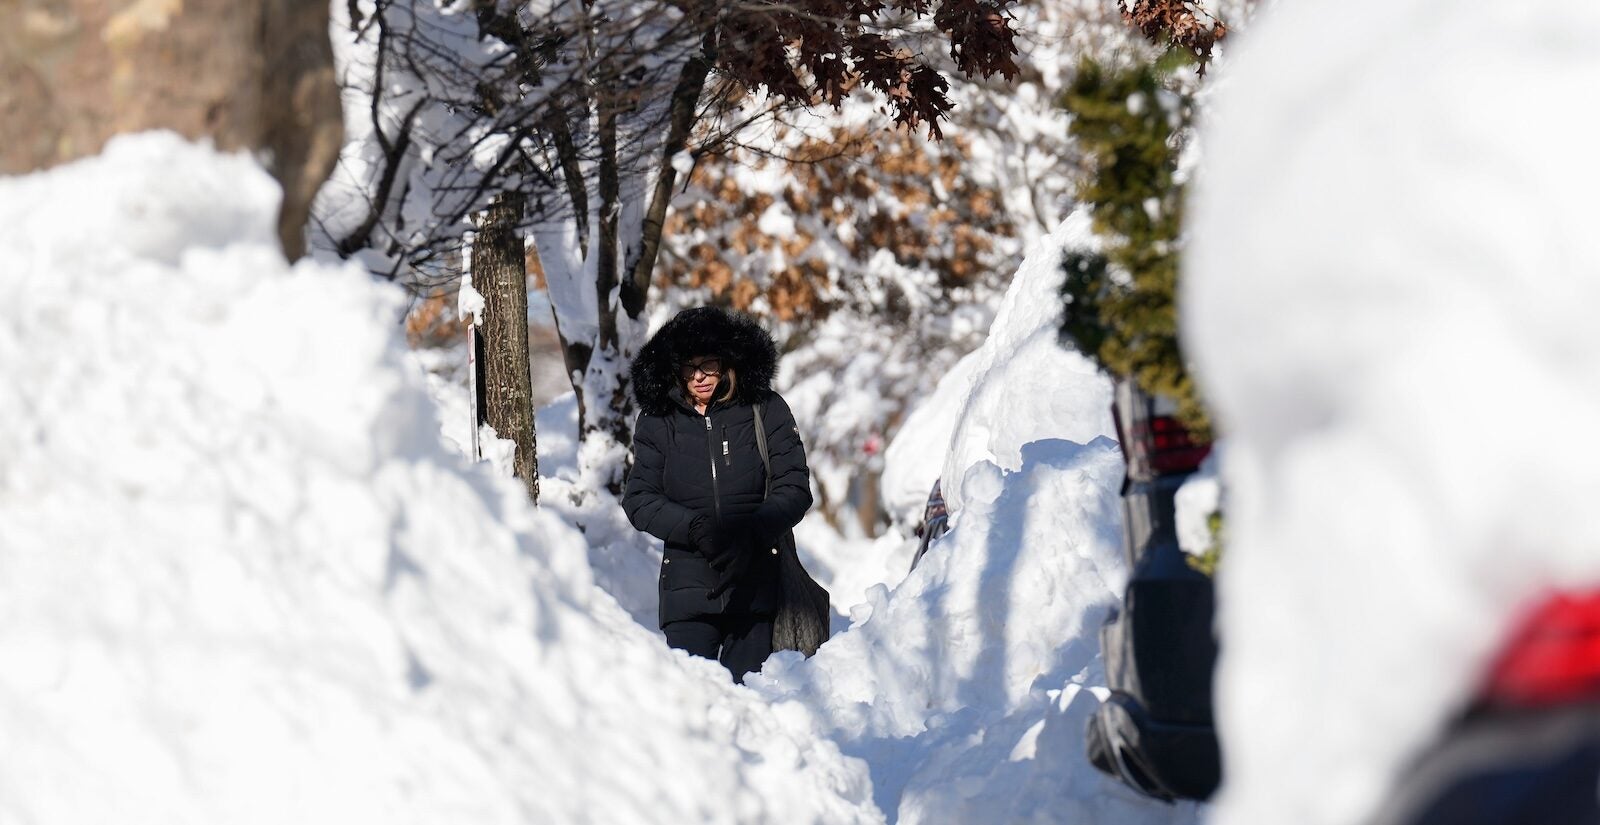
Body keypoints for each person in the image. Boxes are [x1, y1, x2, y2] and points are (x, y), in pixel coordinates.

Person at [622, 306, 813, 683]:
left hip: (755, 584)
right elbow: (639, 498)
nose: (699, 377)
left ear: (727, 360)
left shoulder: (765, 409)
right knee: (691, 708)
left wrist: (751, 531)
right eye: (688, 367)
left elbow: (794, 486)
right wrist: (695, 529)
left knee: (751, 705)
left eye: (708, 364)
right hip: (687, 591)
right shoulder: (658, 420)